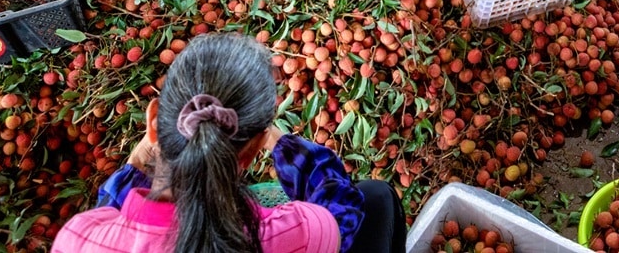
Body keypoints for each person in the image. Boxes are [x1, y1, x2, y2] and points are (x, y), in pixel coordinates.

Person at [51, 33, 406, 253]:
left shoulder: (77, 239)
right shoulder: (295, 233)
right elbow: (343, 207)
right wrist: (286, 149)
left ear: (155, 123)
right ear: (253, 150)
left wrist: (142, 158)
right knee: (376, 198)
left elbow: (107, 211)